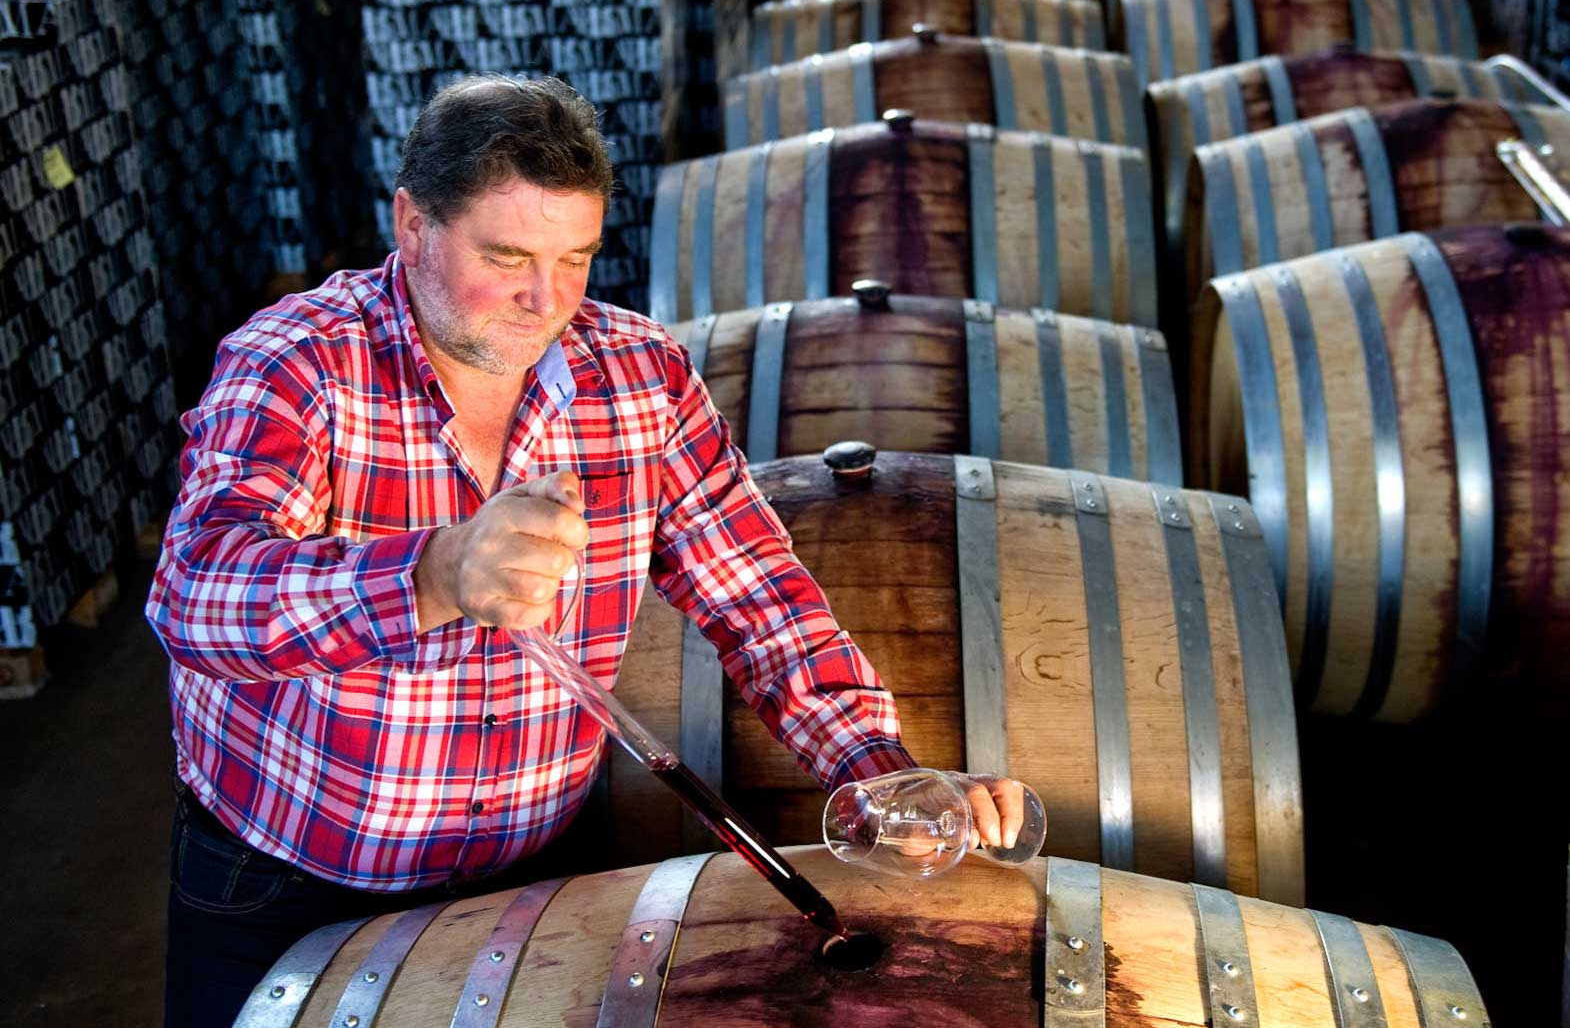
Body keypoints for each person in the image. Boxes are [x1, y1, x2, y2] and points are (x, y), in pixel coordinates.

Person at [145, 74, 1031, 1027]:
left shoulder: (639, 374)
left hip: (531, 880)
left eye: (576, 258)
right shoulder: (299, 361)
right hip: (296, 884)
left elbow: (760, 595)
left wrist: (875, 770)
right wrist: (433, 573)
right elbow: (197, 593)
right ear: (411, 224)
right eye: (507, 254)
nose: (545, 300)